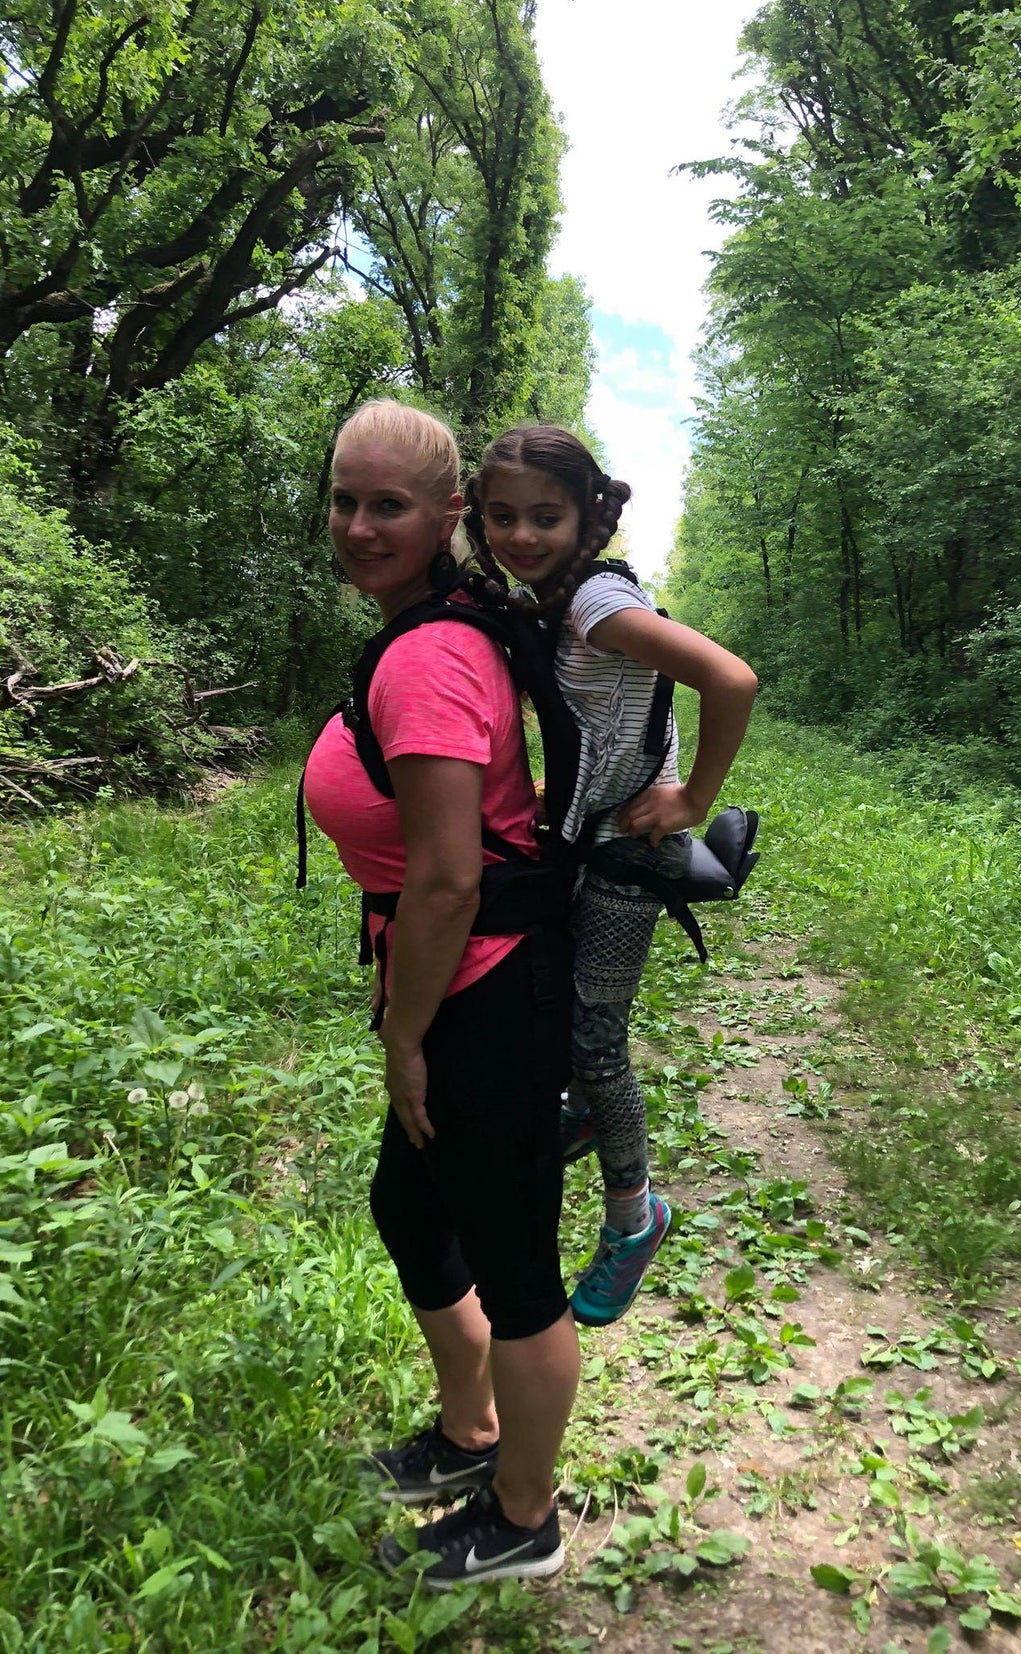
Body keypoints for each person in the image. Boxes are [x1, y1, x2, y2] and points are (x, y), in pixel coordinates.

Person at [302, 399, 578, 1586]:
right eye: (344, 500)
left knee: (514, 1268)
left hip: (485, 992)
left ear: (447, 512)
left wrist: (405, 1035)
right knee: (412, 1209)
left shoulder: (426, 656)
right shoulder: (431, 626)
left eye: (390, 504)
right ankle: (471, 1434)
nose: (360, 525)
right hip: (456, 983)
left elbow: (450, 877)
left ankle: (523, 1518)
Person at [464, 423, 759, 1325]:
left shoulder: (593, 601)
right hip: (593, 830)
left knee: (598, 1040)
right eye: (502, 516)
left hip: (629, 847)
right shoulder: (558, 599)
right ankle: (586, 1110)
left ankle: (635, 1218)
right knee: (571, 1015)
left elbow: (731, 680)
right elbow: (608, 716)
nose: (521, 535)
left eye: (544, 517)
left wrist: (691, 798)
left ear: (586, 518)